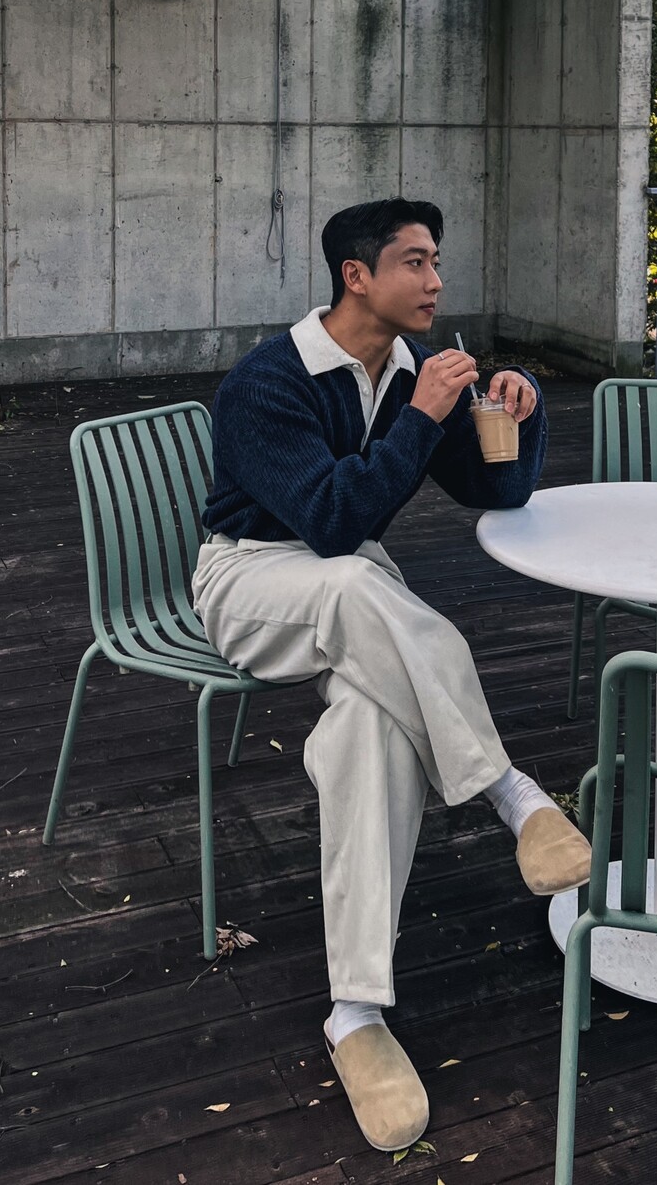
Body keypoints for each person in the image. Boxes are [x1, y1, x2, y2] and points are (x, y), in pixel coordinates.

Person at [191, 198, 590, 1154]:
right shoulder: (268, 382)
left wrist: (517, 406)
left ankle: (355, 1013)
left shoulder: (410, 368)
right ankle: (509, 790)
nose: (436, 280)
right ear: (356, 275)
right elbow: (333, 521)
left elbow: (496, 489)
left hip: (357, 593)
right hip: (252, 579)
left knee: (370, 728)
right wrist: (418, 416)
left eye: (437, 261)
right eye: (415, 261)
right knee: (356, 583)